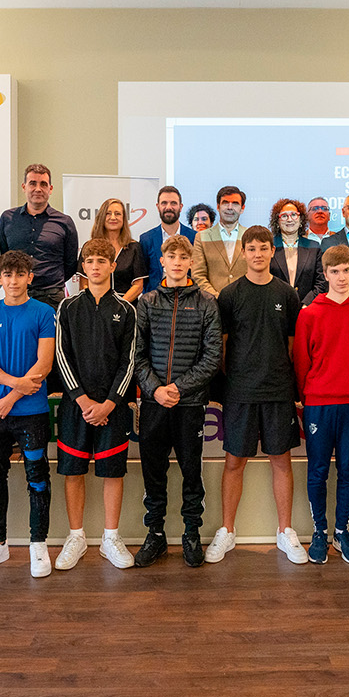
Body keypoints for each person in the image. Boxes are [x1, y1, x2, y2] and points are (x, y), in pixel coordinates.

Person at [205, 226, 308, 566]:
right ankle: (227, 531)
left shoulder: (287, 294)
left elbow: (292, 345)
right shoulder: (230, 295)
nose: (258, 254)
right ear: (244, 253)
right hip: (240, 390)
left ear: (272, 251)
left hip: (278, 389)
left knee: (282, 460)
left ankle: (285, 531)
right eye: (252, 249)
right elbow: (220, 344)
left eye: (264, 248)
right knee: (234, 461)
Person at [132, 234, 222, 568]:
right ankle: (155, 533)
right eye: (172, 256)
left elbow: (212, 357)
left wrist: (179, 389)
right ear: (163, 261)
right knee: (153, 472)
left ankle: (191, 533)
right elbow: (137, 354)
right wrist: (155, 389)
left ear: (190, 263)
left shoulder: (206, 303)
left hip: (190, 405)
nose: (178, 262)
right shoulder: (147, 301)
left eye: (184, 257)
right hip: (154, 403)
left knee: (190, 472)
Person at [52, 239, 138, 571]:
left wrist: (110, 403)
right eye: (90, 261)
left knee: (111, 473)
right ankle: (76, 536)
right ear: (83, 267)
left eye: (103, 260)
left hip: (112, 409)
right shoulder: (67, 307)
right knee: (73, 472)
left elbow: (129, 361)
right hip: (77, 406)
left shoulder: (127, 310)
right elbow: (61, 355)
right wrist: (84, 400)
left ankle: (110, 538)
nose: (97, 265)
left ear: (113, 266)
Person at [0, 250, 57, 579]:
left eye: (20, 274)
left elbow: (44, 364)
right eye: (8, 275)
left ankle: (38, 544)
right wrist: (11, 389)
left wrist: (13, 397)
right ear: (0, 278)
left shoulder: (43, 312)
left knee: (37, 478)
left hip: (31, 410)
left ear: (29, 278)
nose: (14, 280)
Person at [294, 245, 349, 565]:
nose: (341, 277)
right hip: (318, 406)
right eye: (335, 272)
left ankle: (341, 531)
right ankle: (319, 531)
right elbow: (301, 360)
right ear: (325, 275)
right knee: (318, 470)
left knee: (348, 471)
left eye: (346, 271)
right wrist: (305, 398)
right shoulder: (309, 313)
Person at [0, 164, 79, 310]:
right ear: (24, 187)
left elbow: (71, 263)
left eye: (43, 184)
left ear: (50, 189)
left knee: (50, 334)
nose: (38, 189)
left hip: (51, 296)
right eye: (32, 183)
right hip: (16, 295)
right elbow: (4, 256)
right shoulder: (7, 218)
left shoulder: (64, 222)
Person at [81, 198, 148, 302]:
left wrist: (119, 306)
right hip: (95, 307)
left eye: (117, 214)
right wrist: (96, 305)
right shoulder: (89, 247)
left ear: (124, 218)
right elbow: (84, 283)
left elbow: (138, 286)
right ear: (102, 217)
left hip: (126, 307)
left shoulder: (134, 248)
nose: (113, 217)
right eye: (108, 213)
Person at [139, 186, 196, 294]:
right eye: (164, 203)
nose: (168, 207)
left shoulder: (194, 237)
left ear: (181, 206)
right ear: (158, 206)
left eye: (173, 203)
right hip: (155, 303)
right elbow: (144, 277)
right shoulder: (146, 239)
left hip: (188, 300)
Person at [192, 186, 248, 296]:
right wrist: (218, 298)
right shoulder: (202, 237)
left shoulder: (250, 236)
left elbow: (256, 272)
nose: (230, 207)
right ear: (218, 206)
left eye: (235, 203)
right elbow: (198, 276)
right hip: (213, 305)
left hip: (245, 304)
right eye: (225, 203)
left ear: (242, 208)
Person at [269, 198, 325, 304]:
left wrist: (306, 304)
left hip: (306, 310)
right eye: (284, 216)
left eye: (294, 215)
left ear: (301, 220)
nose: (290, 220)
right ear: (277, 221)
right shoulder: (269, 246)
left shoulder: (314, 247)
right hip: (276, 308)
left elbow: (321, 282)